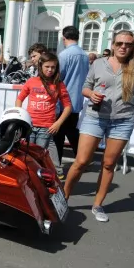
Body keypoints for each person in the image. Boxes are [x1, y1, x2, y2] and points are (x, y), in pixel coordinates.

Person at [64, 31, 134, 222]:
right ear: (112, 45)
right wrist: (90, 94)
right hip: (95, 117)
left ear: (132, 47)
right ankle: (62, 199)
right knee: (81, 162)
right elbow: (85, 87)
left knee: (109, 164)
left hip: (122, 120)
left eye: (128, 44)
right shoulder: (98, 63)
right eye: (119, 43)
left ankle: (98, 204)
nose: (123, 47)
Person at [15, 52, 72, 171]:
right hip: (30, 124)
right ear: (40, 66)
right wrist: (20, 117)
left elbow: (67, 106)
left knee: (38, 155)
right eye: (47, 67)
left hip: (46, 127)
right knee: (27, 153)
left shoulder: (59, 85)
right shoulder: (32, 81)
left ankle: (41, 178)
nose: (50, 70)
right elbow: (19, 99)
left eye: (53, 67)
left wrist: (58, 123)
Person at [53, 26, 90, 177]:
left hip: (64, 99)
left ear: (64, 38)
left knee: (59, 135)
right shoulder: (84, 55)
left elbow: (58, 77)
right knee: (72, 131)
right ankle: (81, 158)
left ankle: (57, 165)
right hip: (77, 98)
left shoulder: (64, 55)